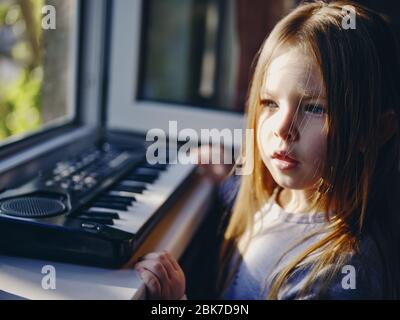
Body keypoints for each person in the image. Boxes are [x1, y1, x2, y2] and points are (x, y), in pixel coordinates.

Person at [134, 1, 400, 299]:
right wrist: (224, 174)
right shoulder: (274, 195)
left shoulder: (343, 274)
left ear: (375, 131)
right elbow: (253, 203)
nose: (282, 128)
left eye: (314, 108)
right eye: (270, 103)